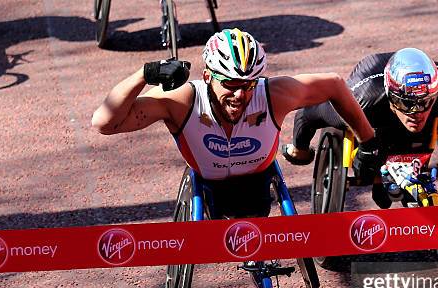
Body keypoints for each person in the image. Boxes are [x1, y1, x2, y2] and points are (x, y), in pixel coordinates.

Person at [91, 28, 376, 218]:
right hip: (208, 186)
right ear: (207, 77)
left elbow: (336, 85)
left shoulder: (273, 95)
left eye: (249, 84)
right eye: (230, 83)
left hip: (257, 186)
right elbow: (105, 122)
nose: (240, 94)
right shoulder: (183, 100)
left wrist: (367, 141)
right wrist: (145, 73)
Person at [284, 48, 438, 208]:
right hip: (373, 101)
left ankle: (392, 178)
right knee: (370, 154)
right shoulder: (362, 99)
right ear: (392, 95)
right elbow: (307, 113)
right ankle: (378, 178)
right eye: (407, 104)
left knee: (417, 132)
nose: (416, 112)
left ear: (436, 91)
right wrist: (299, 150)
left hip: (409, 92)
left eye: (425, 102)